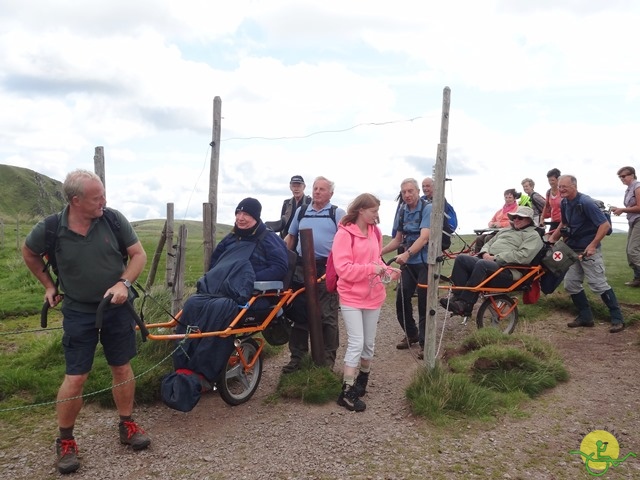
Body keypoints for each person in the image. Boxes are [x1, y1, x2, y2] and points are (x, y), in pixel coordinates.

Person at [21, 169, 149, 474]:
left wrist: (124, 284)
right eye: (97, 197)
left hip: (117, 308)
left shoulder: (113, 220)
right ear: (75, 200)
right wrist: (49, 286)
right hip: (78, 311)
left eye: (103, 194)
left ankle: (127, 425)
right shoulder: (51, 228)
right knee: (76, 376)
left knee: (121, 366)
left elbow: (138, 255)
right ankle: (65, 441)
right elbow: (29, 253)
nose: (104, 201)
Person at [331, 193, 400, 412]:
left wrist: (388, 271)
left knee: (369, 343)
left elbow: (376, 260)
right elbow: (343, 269)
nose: (376, 216)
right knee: (356, 342)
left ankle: (362, 380)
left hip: (373, 295)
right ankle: (347, 391)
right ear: (361, 210)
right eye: (373, 211)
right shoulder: (344, 234)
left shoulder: (375, 232)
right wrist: (372, 269)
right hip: (351, 296)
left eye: (377, 211)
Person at [282, 176, 346, 373]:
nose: (317, 192)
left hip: (327, 269)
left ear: (331, 194)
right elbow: (291, 237)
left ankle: (326, 362)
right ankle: (297, 359)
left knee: (327, 315)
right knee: (299, 313)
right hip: (301, 269)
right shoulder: (302, 211)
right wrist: (283, 260)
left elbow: (345, 241)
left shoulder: (337, 213)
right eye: (315, 188)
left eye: (322, 189)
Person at [548, 175, 624, 333]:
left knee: (598, 284)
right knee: (571, 284)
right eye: (559, 186)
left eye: (564, 187)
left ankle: (617, 318)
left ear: (574, 186)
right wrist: (553, 238)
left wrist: (593, 245)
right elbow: (564, 222)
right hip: (572, 250)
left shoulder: (586, 203)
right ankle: (586, 317)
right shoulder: (564, 202)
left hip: (588, 250)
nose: (561, 189)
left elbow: (604, 225)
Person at [440, 206, 543, 316]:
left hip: (509, 271)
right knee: (461, 259)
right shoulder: (506, 230)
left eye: (520, 218)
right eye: (514, 217)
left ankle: (465, 304)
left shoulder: (533, 236)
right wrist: (485, 253)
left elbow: (523, 256)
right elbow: (488, 243)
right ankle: (456, 298)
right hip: (490, 263)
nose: (516, 219)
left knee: (482, 264)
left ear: (529, 220)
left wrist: (495, 257)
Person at [381, 178, 431, 353]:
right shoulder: (402, 211)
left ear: (418, 192)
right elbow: (398, 239)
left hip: (425, 262)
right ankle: (412, 334)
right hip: (409, 263)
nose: (407, 195)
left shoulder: (427, 209)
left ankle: (426, 345)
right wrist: (380, 252)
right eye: (404, 192)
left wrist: (407, 254)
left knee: (424, 302)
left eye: (411, 191)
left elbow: (424, 237)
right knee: (402, 299)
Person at [209, 197, 289, 281]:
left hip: (251, 289)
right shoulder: (230, 238)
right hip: (222, 285)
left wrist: (248, 279)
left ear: (255, 217)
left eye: (246, 214)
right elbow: (215, 262)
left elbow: (279, 268)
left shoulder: (269, 239)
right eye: (238, 213)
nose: (240, 218)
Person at [611, 166, 640, 287]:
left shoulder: (637, 187)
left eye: (623, 176)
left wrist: (622, 209)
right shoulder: (629, 189)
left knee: (633, 251)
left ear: (632, 175)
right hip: (633, 221)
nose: (621, 178)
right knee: (630, 252)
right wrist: (618, 209)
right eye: (620, 177)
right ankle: (638, 279)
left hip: (638, 220)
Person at [473, 188, 519, 252]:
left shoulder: (517, 210)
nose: (507, 199)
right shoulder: (500, 211)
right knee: (479, 239)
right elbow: (491, 221)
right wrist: (491, 224)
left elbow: (516, 222)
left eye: (510, 197)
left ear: (514, 198)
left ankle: (487, 257)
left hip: (508, 233)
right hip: (496, 232)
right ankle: (476, 257)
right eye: (506, 197)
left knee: (488, 238)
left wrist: (501, 224)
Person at [279, 175, 311, 240]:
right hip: (287, 238)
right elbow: (282, 224)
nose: (296, 189)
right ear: (290, 187)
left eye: (299, 186)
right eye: (294, 186)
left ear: (304, 187)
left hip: (302, 240)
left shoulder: (310, 202)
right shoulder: (286, 203)